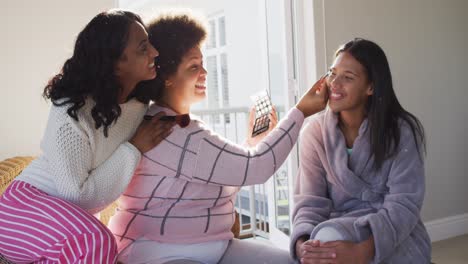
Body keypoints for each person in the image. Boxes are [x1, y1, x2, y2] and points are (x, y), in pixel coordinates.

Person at [107, 12, 328, 264]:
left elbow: (215, 177)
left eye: (202, 63)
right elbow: (256, 167)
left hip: (212, 247)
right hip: (160, 253)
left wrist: (253, 143)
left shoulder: (173, 124)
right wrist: (301, 112)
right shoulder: (171, 132)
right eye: (193, 67)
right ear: (166, 76)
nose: (204, 73)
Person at [0, 9, 174, 263]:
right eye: (142, 48)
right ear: (114, 62)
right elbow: (75, 196)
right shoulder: (71, 109)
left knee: (95, 243)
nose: (155, 53)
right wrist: (134, 148)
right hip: (22, 210)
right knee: (96, 240)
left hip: (68, 222)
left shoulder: (138, 106)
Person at [291, 38, 431, 264]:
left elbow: (404, 204)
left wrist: (363, 252)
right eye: (332, 73)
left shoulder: (400, 132)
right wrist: (302, 245)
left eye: (347, 77)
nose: (334, 83)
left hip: (388, 233)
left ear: (371, 87)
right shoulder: (315, 133)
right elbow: (310, 201)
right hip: (336, 228)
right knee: (324, 242)